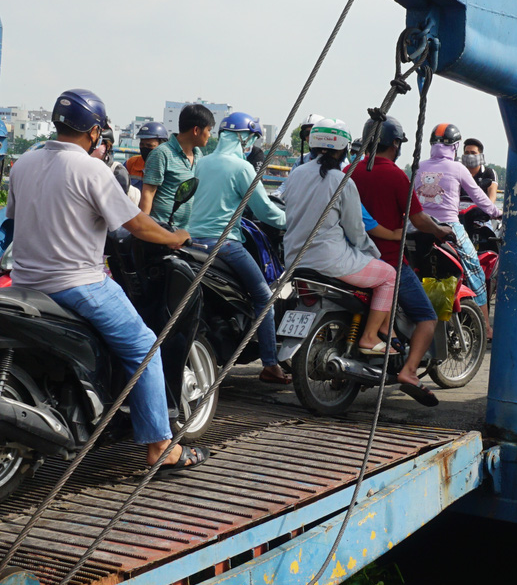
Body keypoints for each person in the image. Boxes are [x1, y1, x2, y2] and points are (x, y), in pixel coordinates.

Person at [5, 88, 202, 468]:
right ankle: (160, 446)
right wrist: (174, 237)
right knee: (145, 346)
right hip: (78, 284)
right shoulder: (92, 168)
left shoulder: (24, 163)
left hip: (24, 284)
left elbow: (14, 216)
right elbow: (135, 224)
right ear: (94, 131)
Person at [174, 111, 289, 383]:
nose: (250, 144)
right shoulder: (242, 168)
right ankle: (271, 364)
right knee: (265, 297)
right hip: (223, 244)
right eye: (251, 138)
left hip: (193, 241)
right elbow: (265, 212)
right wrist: (292, 220)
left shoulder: (202, 163)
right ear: (243, 137)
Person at [280, 123, 402, 352]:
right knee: (389, 276)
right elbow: (355, 229)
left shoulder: (296, 174)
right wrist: (371, 252)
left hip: (294, 259)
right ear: (345, 149)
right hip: (331, 261)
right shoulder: (341, 180)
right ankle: (370, 336)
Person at [348, 115, 440, 403]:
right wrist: (442, 231)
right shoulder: (397, 176)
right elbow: (419, 220)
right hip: (388, 260)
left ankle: (389, 337)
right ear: (396, 143)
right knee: (427, 317)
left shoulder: (350, 172)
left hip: (352, 257)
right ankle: (409, 372)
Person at [414, 123, 500, 309]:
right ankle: (485, 324)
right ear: (455, 147)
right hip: (450, 227)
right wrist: (498, 213)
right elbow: (481, 199)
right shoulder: (458, 168)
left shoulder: (418, 167)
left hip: (418, 226)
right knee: (475, 269)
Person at [141, 104, 212, 219]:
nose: (209, 135)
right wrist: (143, 230)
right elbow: (148, 194)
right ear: (196, 130)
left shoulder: (199, 156)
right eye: (208, 130)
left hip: (187, 232)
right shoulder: (161, 153)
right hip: (161, 230)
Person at [125, 121, 170, 191]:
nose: (145, 148)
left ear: (162, 146)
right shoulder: (131, 163)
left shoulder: (168, 168)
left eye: (149, 145)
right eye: (142, 144)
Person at [460, 137, 500, 202]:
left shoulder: (489, 173)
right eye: (467, 153)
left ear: (480, 156)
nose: (470, 156)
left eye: (473, 153)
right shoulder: (459, 172)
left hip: (480, 209)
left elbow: (492, 196)